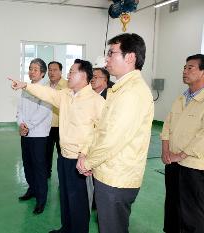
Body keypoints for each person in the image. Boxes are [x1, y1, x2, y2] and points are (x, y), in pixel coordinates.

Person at [10, 59, 105, 233]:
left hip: (81, 161)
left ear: (84, 76)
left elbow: (101, 134)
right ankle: (66, 228)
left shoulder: (96, 101)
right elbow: (46, 93)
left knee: (79, 201)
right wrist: (25, 85)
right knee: (66, 197)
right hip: (64, 156)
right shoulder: (66, 95)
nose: (68, 74)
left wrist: (86, 155)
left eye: (72, 71)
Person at [76, 33, 154, 233]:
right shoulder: (120, 89)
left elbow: (112, 139)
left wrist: (88, 161)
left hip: (117, 178)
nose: (106, 59)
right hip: (109, 172)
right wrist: (87, 154)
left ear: (130, 57)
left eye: (112, 53)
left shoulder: (132, 93)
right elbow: (102, 129)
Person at [161, 54, 204, 233]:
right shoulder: (181, 98)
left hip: (194, 167)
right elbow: (167, 125)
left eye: (190, 67)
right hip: (173, 164)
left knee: (192, 213)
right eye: (184, 67)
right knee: (172, 208)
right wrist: (165, 151)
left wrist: (181, 155)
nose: (185, 71)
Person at [16, 58, 52, 215]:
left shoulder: (46, 89)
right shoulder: (26, 88)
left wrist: (28, 126)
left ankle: (41, 199)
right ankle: (32, 189)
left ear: (43, 73)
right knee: (27, 163)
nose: (31, 71)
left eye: (35, 69)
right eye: (30, 68)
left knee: (39, 167)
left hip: (39, 135)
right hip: (25, 133)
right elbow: (20, 109)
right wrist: (21, 124)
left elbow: (43, 112)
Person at [46, 61, 68, 178]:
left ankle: (63, 178)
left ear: (60, 71)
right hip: (47, 126)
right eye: (50, 70)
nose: (51, 72)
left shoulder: (68, 86)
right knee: (46, 153)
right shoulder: (45, 87)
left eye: (55, 70)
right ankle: (46, 174)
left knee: (62, 154)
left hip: (62, 126)